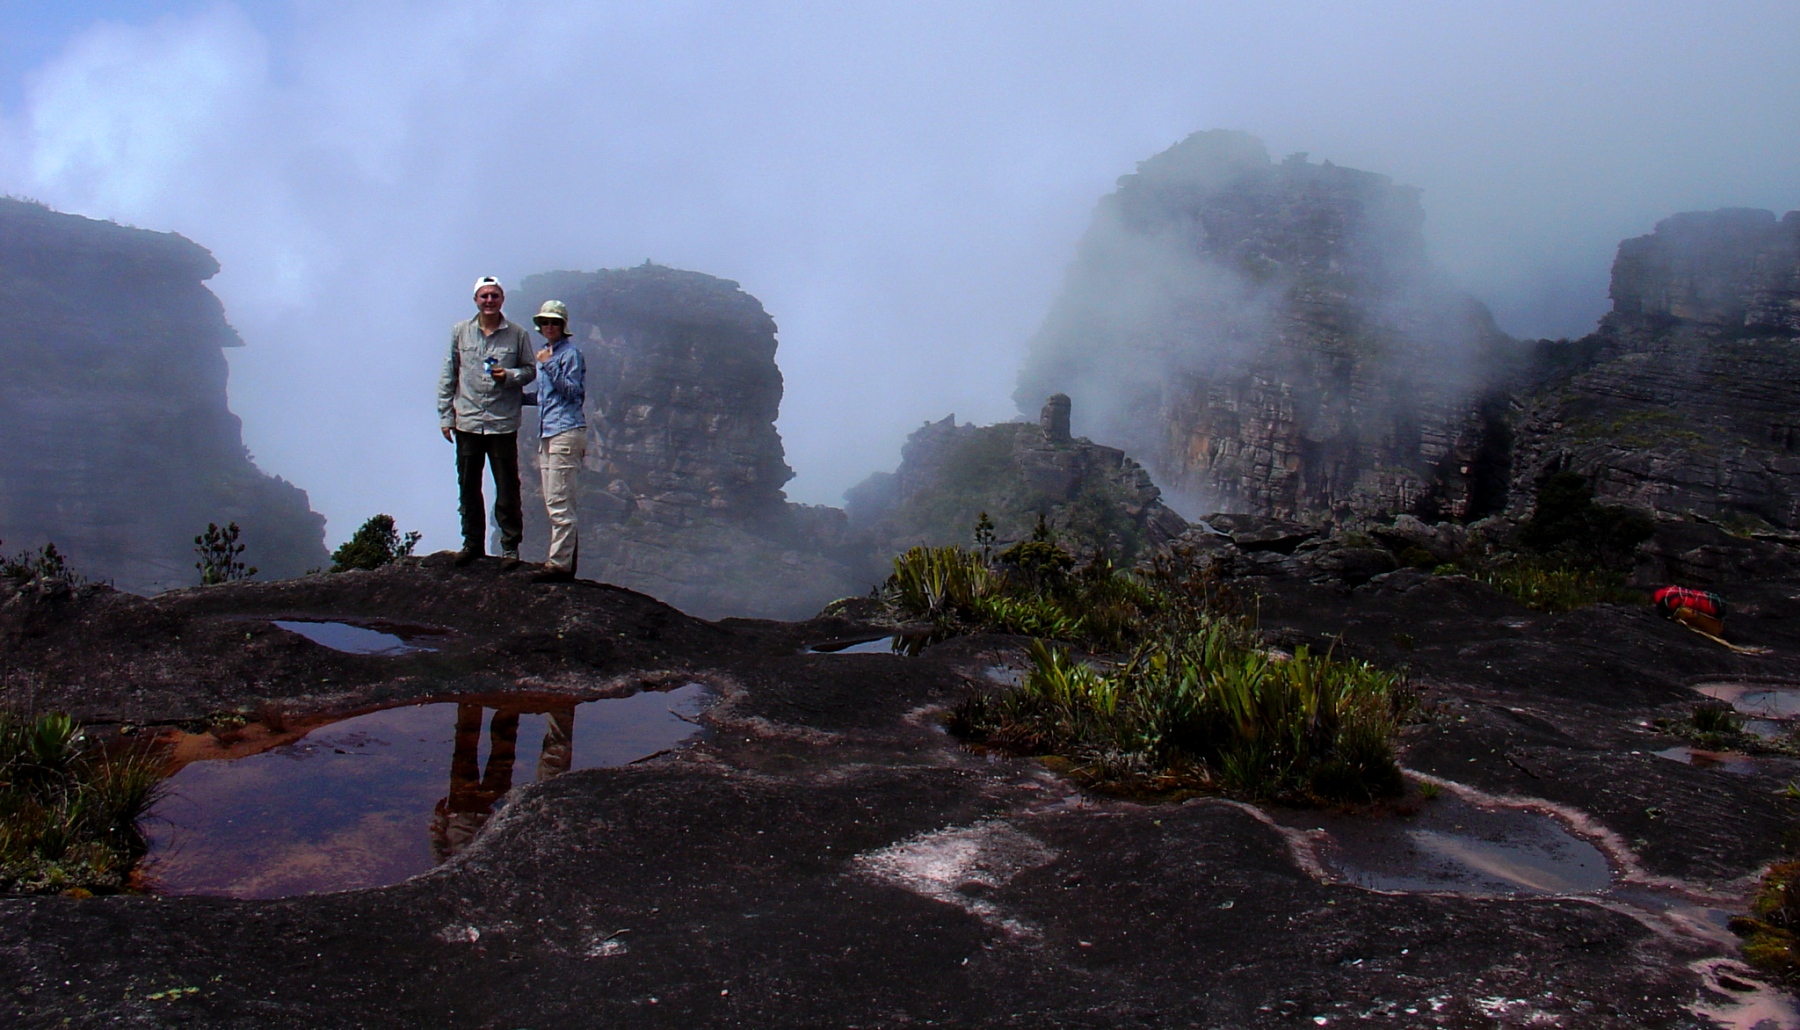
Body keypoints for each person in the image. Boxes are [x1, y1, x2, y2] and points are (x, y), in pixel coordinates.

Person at [438, 276, 536, 566]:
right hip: (467, 421)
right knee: (468, 485)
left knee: (507, 486)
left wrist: (510, 376)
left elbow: (530, 370)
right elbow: (448, 374)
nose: (489, 301)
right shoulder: (460, 332)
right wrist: (446, 416)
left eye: (494, 295)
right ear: (476, 301)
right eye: (484, 296)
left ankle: (510, 547)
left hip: (502, 422)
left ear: (502, 299)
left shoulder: (517, 334)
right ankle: (471, 544)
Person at [526, 300, 587, 583]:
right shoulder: (546, 354)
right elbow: (544, 398)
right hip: (548, 432)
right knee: (555, 499)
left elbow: (573, 393)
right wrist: (510, 393)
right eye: (545, 322)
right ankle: (564, 560)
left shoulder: (569, 355)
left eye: (554, 322)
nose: (549, 326)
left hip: (565, 431)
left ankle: (559, 564)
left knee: (559, 499)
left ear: (563, 326)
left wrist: (549, 365)